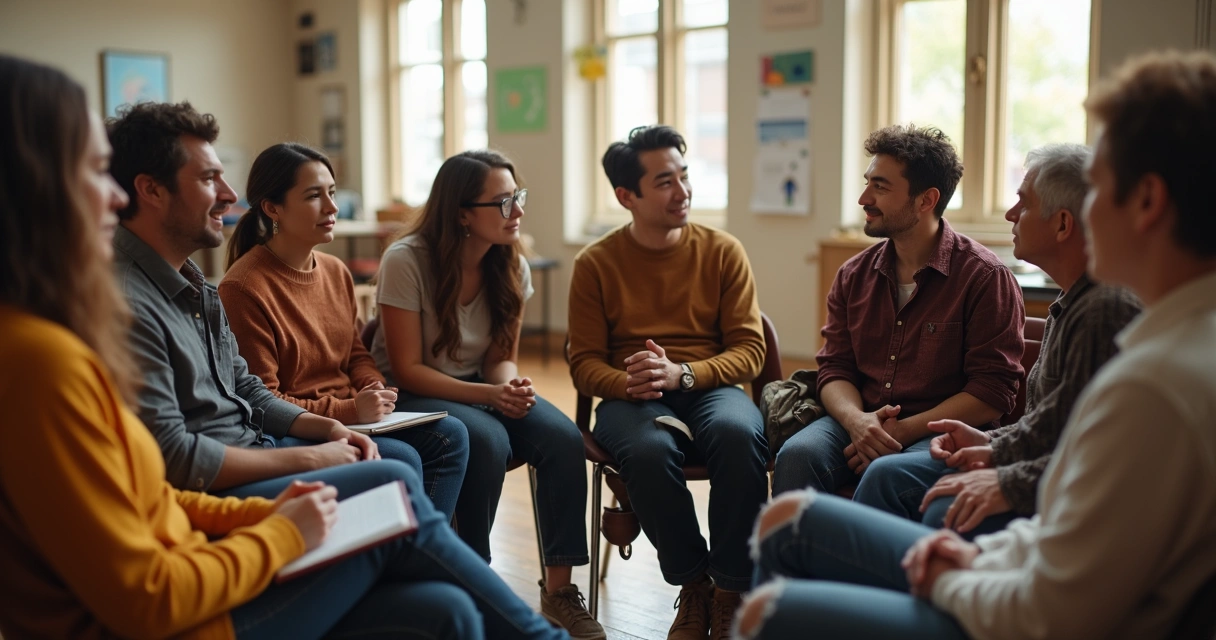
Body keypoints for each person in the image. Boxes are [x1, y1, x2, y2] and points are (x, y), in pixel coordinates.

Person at [0, 53, 568, 640]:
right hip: (190, 606)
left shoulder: (191, 287)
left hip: (231, 499)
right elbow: (153, 567)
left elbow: (171, 476)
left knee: (441, 606)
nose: (226, 194)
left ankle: (455, 571)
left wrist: (311, 460)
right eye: (96, 172)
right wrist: (289, 517)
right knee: (391, 491)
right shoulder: (53, 352)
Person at [736, 49, 1216, 640]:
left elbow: (1056, 606)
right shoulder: (1162, 345)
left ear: (1146, 203)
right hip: (1013, 571)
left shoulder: (1152, 384)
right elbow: (1071, 520)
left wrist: (948, 575)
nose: (1082, 217)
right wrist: (983, 499)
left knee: (768, 609)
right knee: (788, 513)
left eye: (1098, 192)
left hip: (1019, 608)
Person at [108, 101, 413, 501]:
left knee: (410, 466)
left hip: (258, 447)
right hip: (224, 483)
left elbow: (247, 389)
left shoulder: (196, 285)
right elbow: (173, 456)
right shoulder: (126, 300)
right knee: (395, 476)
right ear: (151, 190)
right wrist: (311, 456)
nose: (230, 194)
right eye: (208, 178)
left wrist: (328, 429)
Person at [371, 150, 603, 639]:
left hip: (478, 386)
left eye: (517, 197)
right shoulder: (405, 260)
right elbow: (408, 370)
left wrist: (509, 384)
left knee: (563, 437)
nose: (517, 211)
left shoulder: (512, 264)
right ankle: (474, 578)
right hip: (409, 395)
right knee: (489, 439)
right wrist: (490, 396)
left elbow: (501, 355)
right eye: (501, 202)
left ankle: (559, 591)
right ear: (460, 214)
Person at [854, 143, 1142, 536]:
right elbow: (1049, 426)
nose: (1009, 214)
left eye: (1023, 204)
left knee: (902, 484)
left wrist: (998, 466)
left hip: (1069, 493)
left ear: (1062, 224)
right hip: (1035, 464)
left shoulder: (1102, 310)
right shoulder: (1073, 300)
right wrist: (987, 440)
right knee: (880, 474)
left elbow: (1084, 453)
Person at [568, 125, 769, 640]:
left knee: (738, 434)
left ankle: (730, 589)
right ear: (626, 196)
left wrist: (684, 373)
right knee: (650, 451)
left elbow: (750, 350)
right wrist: (628, 382)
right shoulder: (594, 264)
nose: (682, 192)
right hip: (630, 396)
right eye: (664, 182)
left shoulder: (723, 250)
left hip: (708, 385)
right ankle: (693, 585)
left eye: (684, 176)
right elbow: (584, 362)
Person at [218, 142, 469, 519]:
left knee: (454, 437)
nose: (332, 208)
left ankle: (424, 557)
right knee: (401, 458)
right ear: (273, 209)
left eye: (332, 193)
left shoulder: (335, 270)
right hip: (299, 428)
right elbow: (263, 401)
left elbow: (355, 353)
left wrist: (371, 385)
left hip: (353, 416)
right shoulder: (243, 288)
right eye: (314, 196)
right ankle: (410, 559)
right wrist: (350, 410)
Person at [771, 124, 1024, 497]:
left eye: (880, 187)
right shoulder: (853, 275)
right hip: (862, 417)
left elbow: (991, 393)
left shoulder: (985, 277)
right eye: (867, 182)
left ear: (925, 201)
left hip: (940, 431)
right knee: (796, 456)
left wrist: (903, 430)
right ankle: (793, 557)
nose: (863, 198)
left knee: (887, 472)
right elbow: (835, 368)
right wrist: (858, 422)